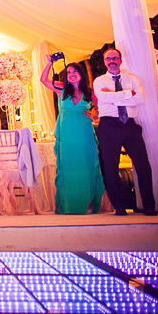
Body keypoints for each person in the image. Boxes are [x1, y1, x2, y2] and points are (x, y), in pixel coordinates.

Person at [93, 48, 158, 216]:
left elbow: (140, 99)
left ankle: (149, 205)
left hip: (130, 125)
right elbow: (103, 98)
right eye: (108, 58)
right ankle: (119, 207)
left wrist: (113, 97)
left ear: (120, 60)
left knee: (143, 164)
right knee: (110, 166)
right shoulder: (99, 81)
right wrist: (128, 94)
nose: (112, 60)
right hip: (108, 126)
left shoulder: (132, 79)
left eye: (115, 57)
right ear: (105, 62)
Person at [40, 57, 104, 214]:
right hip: (67, 133)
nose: (72, 74)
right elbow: (43, 80)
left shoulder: (89, 92)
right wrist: (49, 64)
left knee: (86, 165)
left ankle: (88, 203)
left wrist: (94, 116)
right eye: (68, 72)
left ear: (81, 74)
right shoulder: (61, 89)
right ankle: (68, 203)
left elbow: (104, 108)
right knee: (69, 167)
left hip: (84, 132)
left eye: (75, 71)